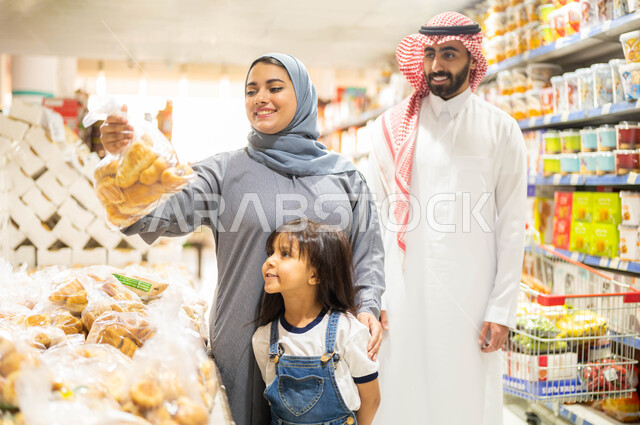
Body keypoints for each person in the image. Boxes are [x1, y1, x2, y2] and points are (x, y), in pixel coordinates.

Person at [99, 53, 385, 425]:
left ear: (303, 96)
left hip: (327, 347)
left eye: (275, 88)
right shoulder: (223, 172)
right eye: (251, 90)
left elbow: (367, 251)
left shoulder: (345, 177)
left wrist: (368, 305)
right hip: (243, 338)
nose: (260, 98)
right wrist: (121, 159)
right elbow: (152, 213)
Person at [365, 12, 526, 425]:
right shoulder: (390, 129)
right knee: (403, 395)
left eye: (449, 54)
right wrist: (372, 297)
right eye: (431, 54)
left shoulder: (501, 130)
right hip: (403, 296)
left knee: (467, 400)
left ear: (472, 60)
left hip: (471, 300)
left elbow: (511, 226)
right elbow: (372, 221)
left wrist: (502, 308)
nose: (437, 65)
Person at [252, 219, 380, 425]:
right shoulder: (264, 339)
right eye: (271, 253)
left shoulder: (347, 332)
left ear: (315, 274)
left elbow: (371, 399)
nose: (270, 260)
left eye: (284, 254)